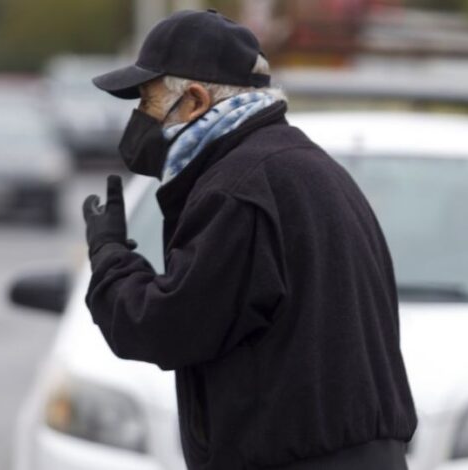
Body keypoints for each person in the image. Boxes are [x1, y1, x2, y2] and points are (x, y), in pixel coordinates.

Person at [82, 9, 416, 470]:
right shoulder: (304, 166)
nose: (140, 118)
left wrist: (109, 258)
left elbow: (170, 327)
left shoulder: (238, 187)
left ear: (195, 99)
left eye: (147, 100)